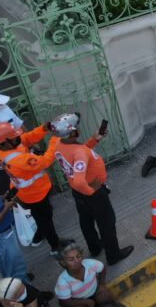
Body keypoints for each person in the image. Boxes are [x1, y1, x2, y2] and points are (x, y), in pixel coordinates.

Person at [52, 113, 133, 266]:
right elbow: (79, 177)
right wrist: (91, 191)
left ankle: (95, 248)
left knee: (86, 221)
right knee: (107, 223)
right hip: (93, 193)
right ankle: (113, 255)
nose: (79, 129)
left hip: (77, 193)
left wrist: (95, 139)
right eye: (77, 127)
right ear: (72, 132)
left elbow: (80, 155)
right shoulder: (79, 152)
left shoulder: (58, 143)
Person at [0, 122, 62, 255]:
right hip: (35, 195)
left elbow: (28, 138)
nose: (18, 138)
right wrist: (55, 139)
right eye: (14, 137)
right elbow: (45, 161)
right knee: (46, 219)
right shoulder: (18, 159)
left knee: (42, 216)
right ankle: (56, 247)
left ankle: (40, 235)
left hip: (32, 192)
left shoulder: (5, 149)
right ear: (6, 141)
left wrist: (43, 128)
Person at [54, 240, 126, 307]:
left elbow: (102, 269)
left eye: (78, 256)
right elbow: (67, 301)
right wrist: (85, 302)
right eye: (71, 260)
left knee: (105, 293)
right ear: (63, 263)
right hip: (77, 301)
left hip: (93, 292)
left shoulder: (89, 264)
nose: (76, 261)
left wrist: (101, 285)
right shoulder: (63, 281)